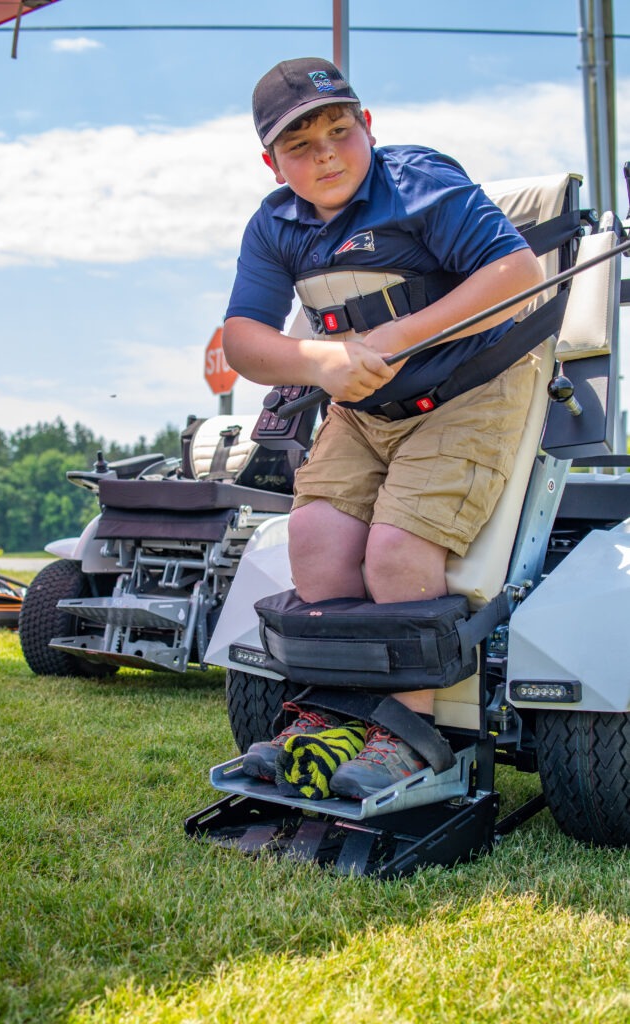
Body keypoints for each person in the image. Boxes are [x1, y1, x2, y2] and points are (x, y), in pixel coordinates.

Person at [222, 57, 544, 799]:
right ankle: (328, 715)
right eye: (299, 147)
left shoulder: (419, 180)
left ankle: (407, 735)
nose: (326, 154)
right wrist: (318, 361)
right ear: (269, 161)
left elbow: (516, 274)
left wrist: (394, 339)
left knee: (396, 552)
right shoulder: (275, 224)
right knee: (313, 538)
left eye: (340, 131)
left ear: (366, 126)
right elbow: (242, 339)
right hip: (363, 410)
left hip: (467, 390)